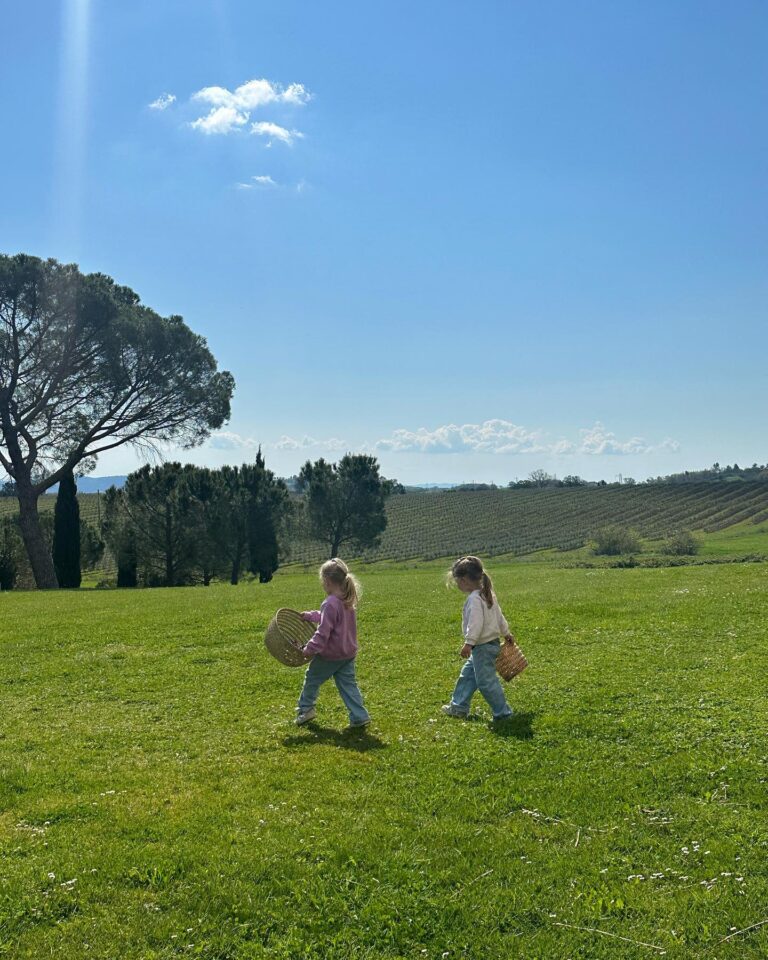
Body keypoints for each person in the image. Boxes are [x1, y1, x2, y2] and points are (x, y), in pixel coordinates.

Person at [295, 558, 371, 728]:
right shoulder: (347, 599)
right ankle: (359, 715)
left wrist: (309, 649)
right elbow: (329, 619)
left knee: (312, 678)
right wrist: (310, 615)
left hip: (330, 655)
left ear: (327, 582)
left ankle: (306, 709)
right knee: (348, 684)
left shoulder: (330, 603)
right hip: (348, 654)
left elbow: (323, 632)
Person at [442, 555, 514, 721]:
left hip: (482, 647)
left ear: (465, 580)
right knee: (467, 676)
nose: (457, 585)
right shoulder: (487, 594)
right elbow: (499, 616)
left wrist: (469, 643)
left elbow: (476, 623)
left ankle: (503, 713)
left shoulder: (475, 599)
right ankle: (458, 707)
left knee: (486, 682)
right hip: (487, 645)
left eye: (457, 581)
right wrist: (506, 633)